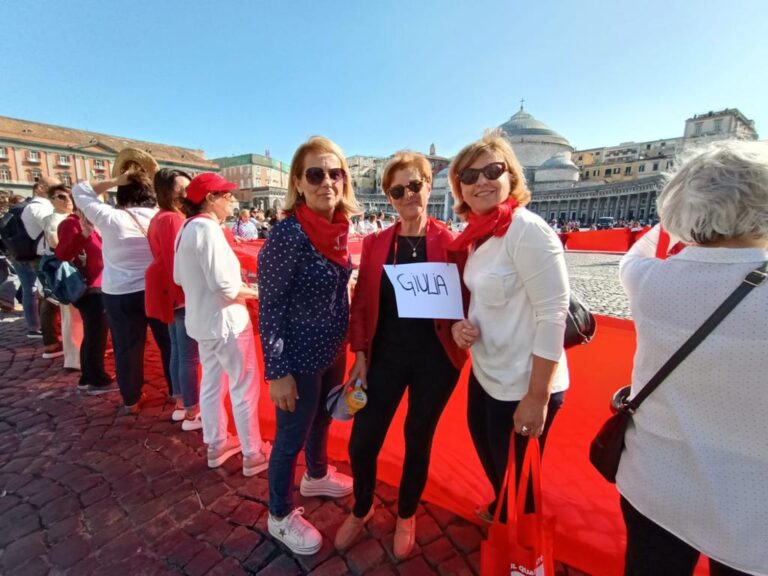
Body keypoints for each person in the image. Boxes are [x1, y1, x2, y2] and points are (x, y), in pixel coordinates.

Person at [616, 141, 768, 576]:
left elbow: (640, 250)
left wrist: (674, 221)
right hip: (751, 505)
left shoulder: (648, 281)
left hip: (653, 483)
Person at [335, 152, 468, 558]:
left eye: (415, 185)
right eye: (398, 190)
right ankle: (361, 505)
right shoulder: (376, 243)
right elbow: (360, 305)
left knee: (417, 439)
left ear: (429, 186)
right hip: (384, 359)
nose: (408, 195)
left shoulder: (451, 243)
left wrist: (466, 325)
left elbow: (470, 299)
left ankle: (406, 514)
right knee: (362, 444)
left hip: (435, 362)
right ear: (388, 197)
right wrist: (359, 353)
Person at [447, 133, 569, 522]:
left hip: (522, 382)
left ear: (510, 176)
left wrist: (537, 397)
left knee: (519, 478)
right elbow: (483, 298)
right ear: (459, 188)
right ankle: (504, 513)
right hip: (487, 372)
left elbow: (554, 314)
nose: (481, 181)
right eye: (469, 175)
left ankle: (519, 542)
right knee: (490, 453)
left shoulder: (527, 230)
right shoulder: (477, 234)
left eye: (492, 170)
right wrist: (459, 327)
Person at [257, 136, 360, 555]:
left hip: (332, 350)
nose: (327, 182)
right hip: (297, 357)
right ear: (299, 182)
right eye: (315, 174)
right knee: (290, 437)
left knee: (322, 421)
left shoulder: (337, 228)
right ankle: (279, 515)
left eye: (335, 173)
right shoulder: (289, 234)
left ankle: (316, 475)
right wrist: (277, 372)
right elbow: (270, 306)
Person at [174, 173, 268, 475]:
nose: (232, 200)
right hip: (227, 322)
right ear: (210, 199)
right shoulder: (209, 230)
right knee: (243, 386)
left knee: (213, 385)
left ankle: (216, 443)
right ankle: (252, 451)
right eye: (226, 195)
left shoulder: (185, 228)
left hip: (201, 321)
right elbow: (226, 287)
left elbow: (177, 277)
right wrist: (259, 292)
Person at [72, 171, 173, 414]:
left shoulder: (110, 217)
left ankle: (131, 398)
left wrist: (116, 180)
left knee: (127, 346)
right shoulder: (163, 218)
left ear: (122, 197)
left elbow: (79, 190)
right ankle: (176, 391)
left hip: (119, 293)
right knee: (169, 344)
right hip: (156, 290)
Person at [146, 168, 201, 431]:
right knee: (187, 355)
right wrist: (185, 296)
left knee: (178, 352)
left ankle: (181, 404)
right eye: (182, 188)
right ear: (168, 192)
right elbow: (175, 263)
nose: (187, 193)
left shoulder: (162, 218)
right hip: (180, 296)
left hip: (172, 295)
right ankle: (191, 409)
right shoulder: (171, 220)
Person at [56, 204, 115, 395]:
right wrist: (83, 234)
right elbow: (63, 253)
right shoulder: (70, 224)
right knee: (95, 334)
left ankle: (90, 376)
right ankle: (95, 380)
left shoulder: (93, 223)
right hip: (89, 286)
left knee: (94, 333)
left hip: (99, 284)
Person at [42, 185, 83, 369]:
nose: (67, 200)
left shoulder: (67, 217)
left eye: (69, 196)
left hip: (75, 270)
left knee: (77, 315)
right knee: (71, 315)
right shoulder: (54, 220)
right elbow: (58, 247)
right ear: (51, 199)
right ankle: (75, 358)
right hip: (68, 272)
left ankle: (78, 355)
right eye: (61, 196)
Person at [19, 178, 62, 352]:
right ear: (41, 188)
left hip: (52, 255)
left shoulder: (43, 206)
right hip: (46, 256)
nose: (59, 192)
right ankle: (50, 341)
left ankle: (54, 336)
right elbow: (52, 225)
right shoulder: (36, 207)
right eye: (55, 188)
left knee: (51, 297)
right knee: (49, 298)